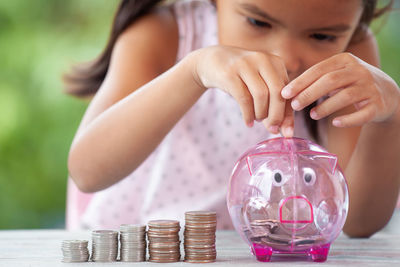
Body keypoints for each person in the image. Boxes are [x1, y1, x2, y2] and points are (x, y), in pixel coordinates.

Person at [64, 0, 400, 237]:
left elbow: (357, 223)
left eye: (323, 36)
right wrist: (194, 72)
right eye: (258, 22)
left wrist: (391, 117)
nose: (284, 57)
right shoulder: (165, 33)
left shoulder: (349, 57)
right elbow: (86, 171)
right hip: (142, 248)